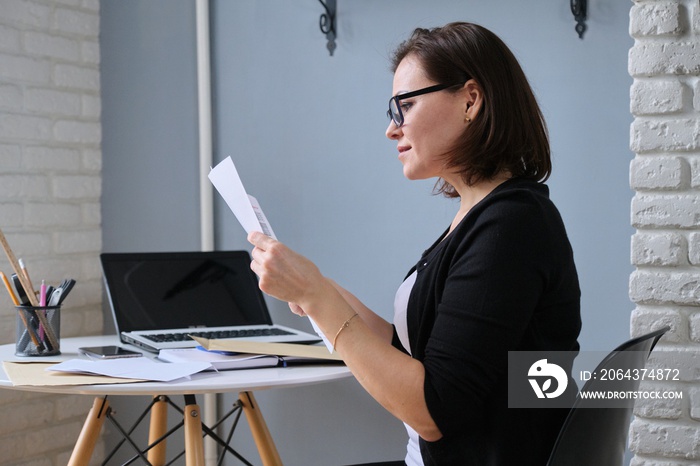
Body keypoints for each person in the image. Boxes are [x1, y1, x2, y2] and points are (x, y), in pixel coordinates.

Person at [248, 22, 581, 466]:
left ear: (470, 99)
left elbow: (432, 409)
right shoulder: (486, 216)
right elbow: (410, 354)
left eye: (405, 106)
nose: (392, 128)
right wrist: (314, 292)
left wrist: (316, 294)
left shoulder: (509, 228)